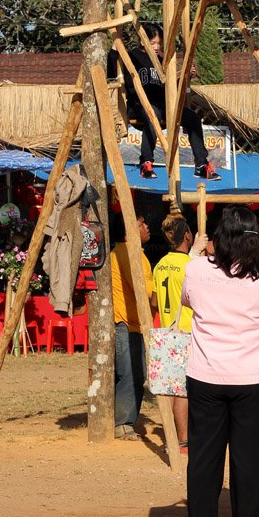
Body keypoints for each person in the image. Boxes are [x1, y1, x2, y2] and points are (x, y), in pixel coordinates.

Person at [181, 206, 259, 517]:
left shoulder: (197, 270)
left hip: (206, 374)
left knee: (204, 455)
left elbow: (188, 301)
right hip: (253, 378)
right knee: (249, 457)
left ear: (218, 239)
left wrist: (197, 252)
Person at [108, 23, 220, 181]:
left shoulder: (162, 60)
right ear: (143, 41)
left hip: (163, 106)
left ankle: (201, 165)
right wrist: (115, 46)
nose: (156, 47)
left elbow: (169, 87)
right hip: (138, 106)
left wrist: (185, 77)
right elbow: (112, 69)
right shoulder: (132, 56)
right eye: (153, 43)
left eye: (159, 43)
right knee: (152, 111)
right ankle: (146, 162)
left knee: (193, 118)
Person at [152, 215, 207, 452]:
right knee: (182, 390)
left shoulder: (160, 264)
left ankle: (174, 436)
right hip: (185, 331)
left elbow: (154, 300)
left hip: (165, 330)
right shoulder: (189, 265)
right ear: (187, 236)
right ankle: (183, 440)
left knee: (170, 388)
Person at [111, 212, 157, 441]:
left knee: (137, 375)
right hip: (124, 322)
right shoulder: (126, 253)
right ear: (130, 229)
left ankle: (129, 419)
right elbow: (146, 291)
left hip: (135, 324)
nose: (147, 227)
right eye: (141, 223)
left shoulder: (135, 254)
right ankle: (122, 424)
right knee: (128, 373)